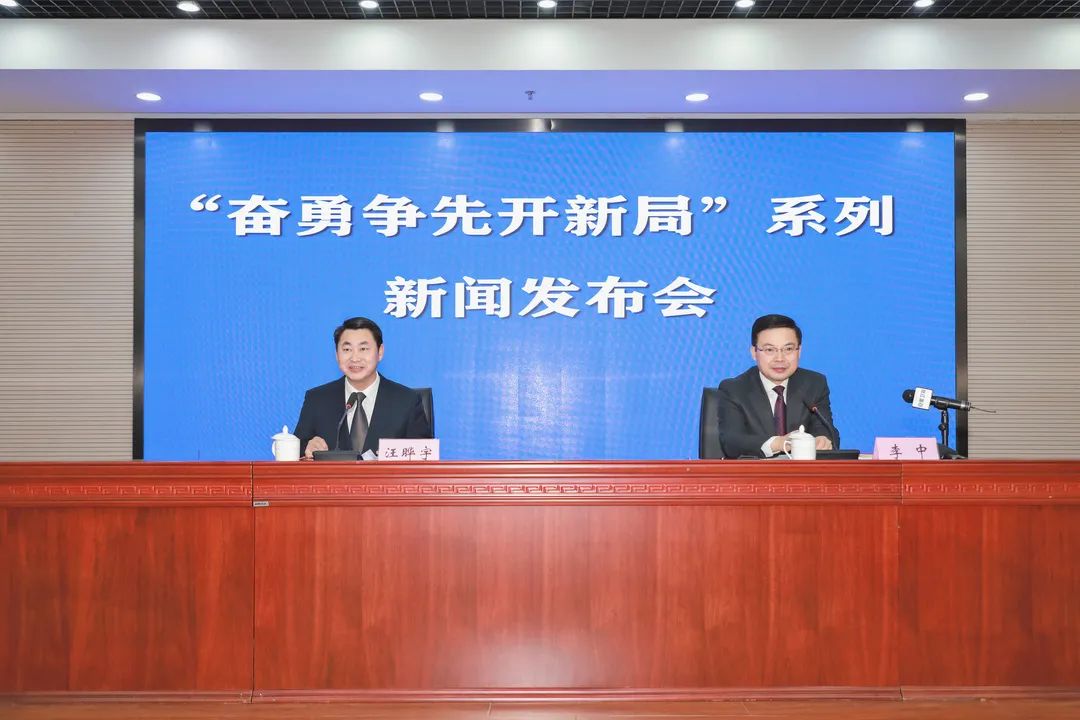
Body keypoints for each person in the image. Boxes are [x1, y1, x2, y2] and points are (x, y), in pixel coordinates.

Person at [295, 316, 431, 459]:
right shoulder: (317, 399)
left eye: (363, 349)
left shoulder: (407, 401)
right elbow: (296, 449)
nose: (355, 358)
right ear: (336, 355)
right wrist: (307, 447)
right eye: (347, 349)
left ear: (380, 352)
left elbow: (425, 455)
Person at [716, 314, 838, 459]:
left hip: (803, 472)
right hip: (754, 472)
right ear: (754, 352)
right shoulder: (734, 389)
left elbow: (826, 430)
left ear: (799, 351)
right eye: (769, 350)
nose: (780, 359)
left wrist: (822, 440)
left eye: (788, 349)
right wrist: (780, 443)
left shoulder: (814, 383)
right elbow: (732, 442)